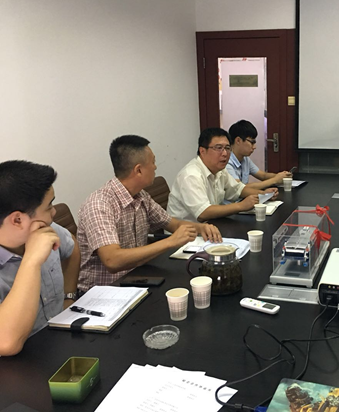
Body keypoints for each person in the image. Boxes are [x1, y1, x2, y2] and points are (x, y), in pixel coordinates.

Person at [78, 135, 221, 292]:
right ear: (138, 170)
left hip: (137, 279)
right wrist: (170, 241)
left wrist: (201, 228)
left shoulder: (141, 196)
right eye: (153, 162)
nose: (155, 167)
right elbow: (112, 260)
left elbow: (172, 224)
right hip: (104, 292)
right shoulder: (99, 204)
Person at [0, 160, 80, 356]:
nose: (54, 212)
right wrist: (31, 260)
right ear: (17, 219)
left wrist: (69, 297)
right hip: (19, 365)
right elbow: (6, 343)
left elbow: (72, 246)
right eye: (49, 206)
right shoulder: (38, 236)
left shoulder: (43, 229)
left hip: (57, 342)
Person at [167, 127, 278, 222]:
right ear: (202, 151)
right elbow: (203, 213)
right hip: (186, 235)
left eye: (227, 148)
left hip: (211, 226)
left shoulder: (219, 170)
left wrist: (263, 194)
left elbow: (238, 189)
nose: (225, 153)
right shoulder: (191, 175)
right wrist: (241, 206)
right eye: (219, 148)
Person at [226, 120, 292, 189]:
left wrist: (282, 176)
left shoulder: (245, 159)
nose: (254, 147)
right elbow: (240, 188)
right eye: (252, 142)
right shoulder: (226, 162)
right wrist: (275, 180)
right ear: (238, 140)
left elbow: (263, 175)